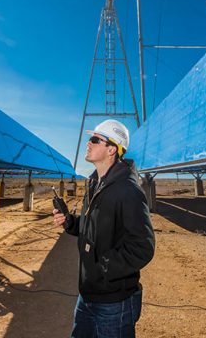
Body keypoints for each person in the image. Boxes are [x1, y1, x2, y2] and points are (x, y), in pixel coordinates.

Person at [53, 119, 155, 338]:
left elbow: (142, 247)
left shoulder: (128, 191)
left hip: (114, 303)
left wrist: (103, 268)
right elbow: (93, 226)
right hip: (87, 296)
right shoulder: (95, 184)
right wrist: (70, 222)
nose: (88, 143)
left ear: (112, 149)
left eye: (95, 139)